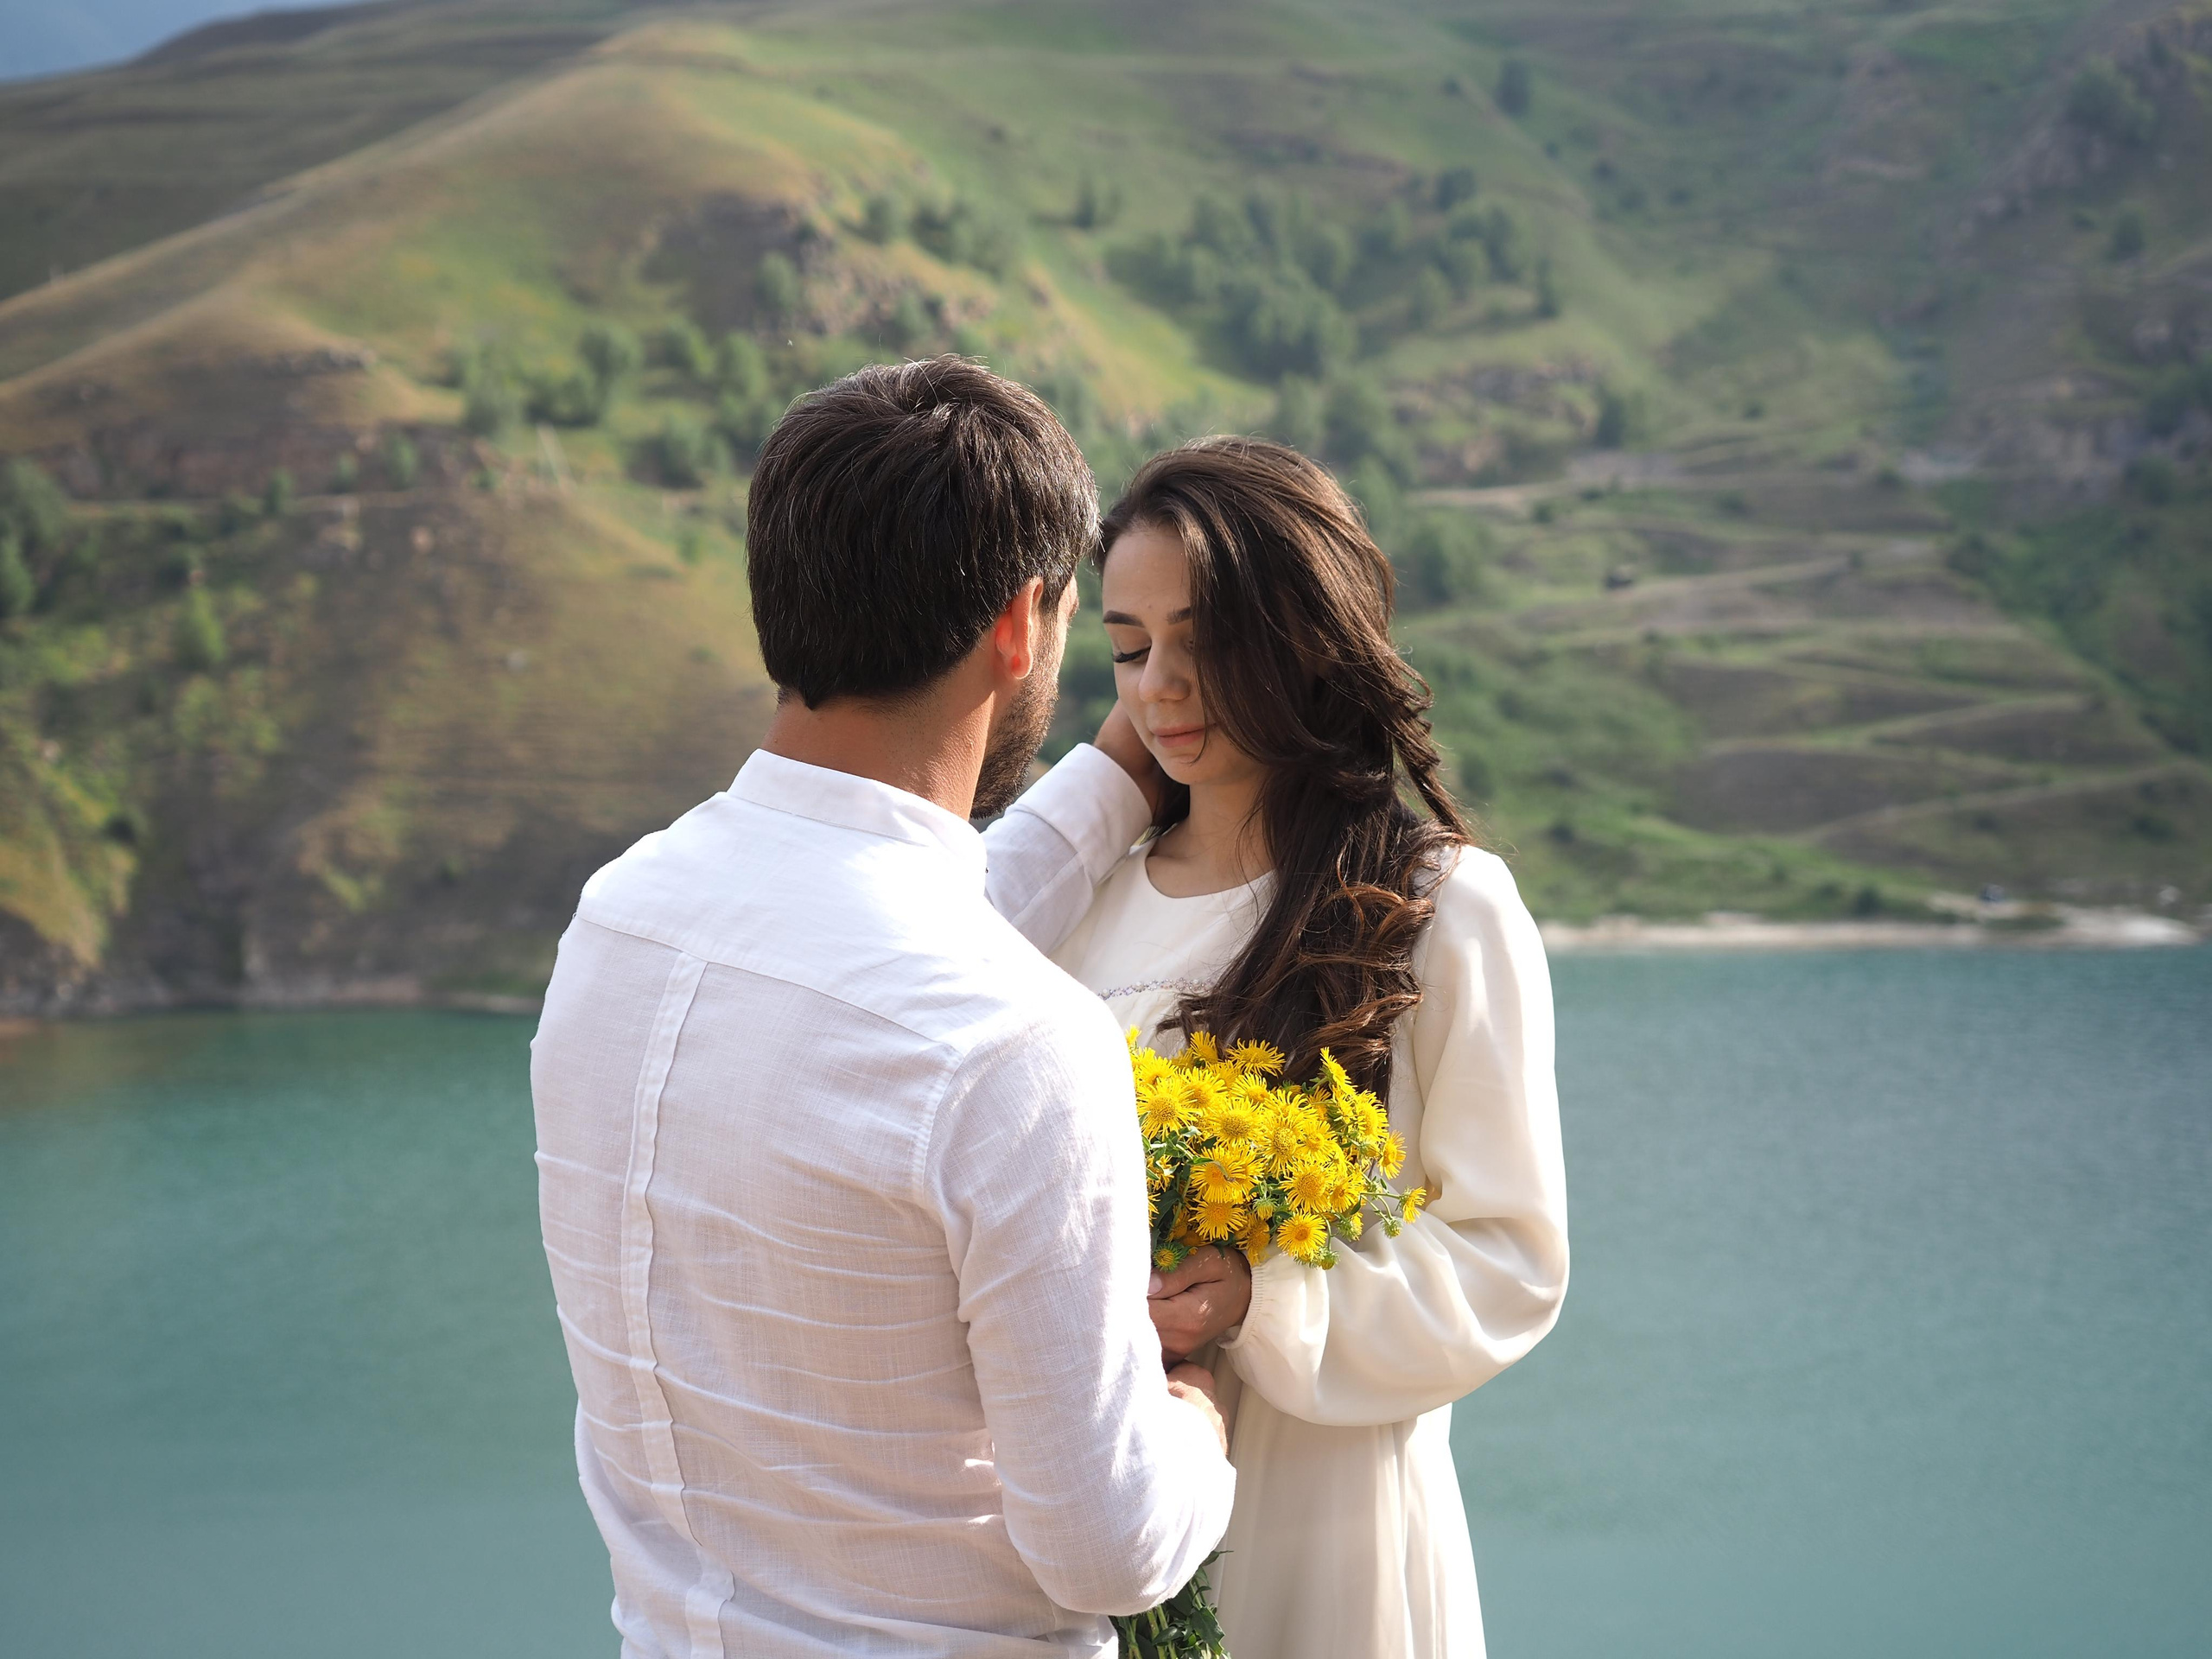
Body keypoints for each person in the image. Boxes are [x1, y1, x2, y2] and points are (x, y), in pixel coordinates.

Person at [531, 358, 1235, 1658]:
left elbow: (880, 953)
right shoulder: (1018, 1047)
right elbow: (1108, 1544)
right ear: (1023, 624)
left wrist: (1113, 784)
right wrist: (1197, 1411)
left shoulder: (619, 919)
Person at [983, 436, 1569, 1659]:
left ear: (1304, 634)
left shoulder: (1442, 909)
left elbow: (1511, 1263)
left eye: (1205, 640)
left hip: (1335, 1526)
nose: (1163, 687)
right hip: (1113, 1514)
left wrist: (1266, 1297)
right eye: (1133, 648)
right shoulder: (1085, 907)